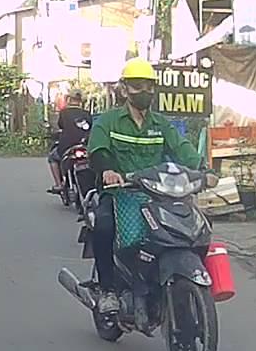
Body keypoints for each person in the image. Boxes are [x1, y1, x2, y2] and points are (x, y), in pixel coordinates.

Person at [86, 58, 202, 315]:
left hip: (159, 195)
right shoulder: (109, 121)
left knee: (190, 230)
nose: (144, 92)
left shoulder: (161, 124)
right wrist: (108, 170)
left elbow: (182, 149)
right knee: (104, 227)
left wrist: (203, 170)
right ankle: (107, 290)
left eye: (149, 86)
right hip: (119, 193)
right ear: (124, 89)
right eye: (137, 86)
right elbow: (98, 151)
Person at [47, 89, 93, 194]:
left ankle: (59, 184)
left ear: (69, 99)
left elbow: (61, 126)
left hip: (67, 146)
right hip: (85, 145)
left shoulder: (64, 113)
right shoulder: (86, 113)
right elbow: (90, 127)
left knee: (52, 158)